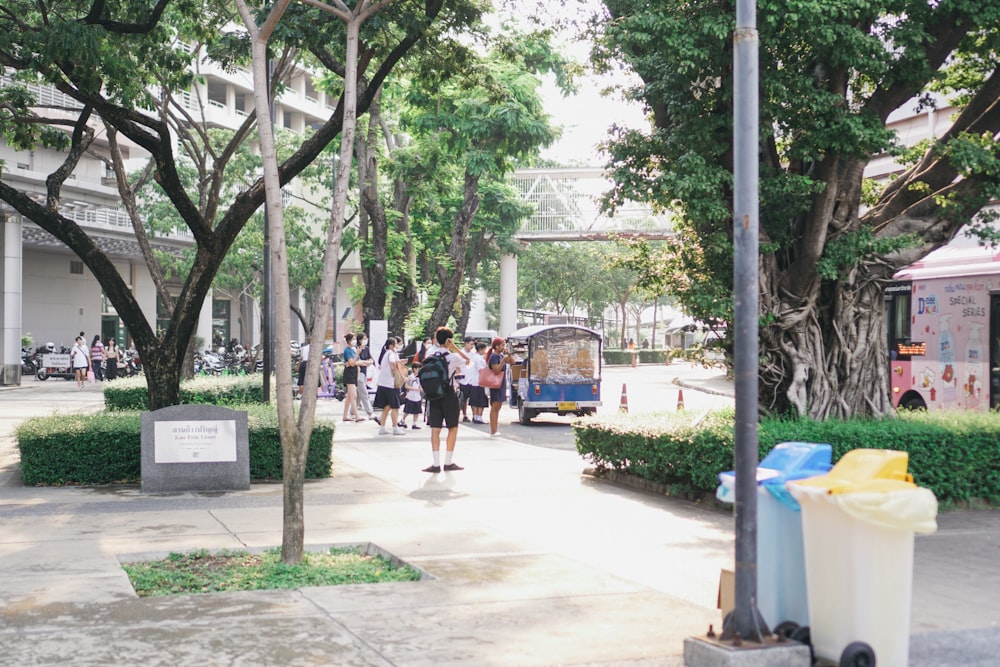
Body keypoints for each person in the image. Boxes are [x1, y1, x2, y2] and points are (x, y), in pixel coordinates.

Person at [422, 327, 469, 473]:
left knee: (435, 429)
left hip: (434, 395)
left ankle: (436, 464)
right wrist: (454, 348)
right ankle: (448, 462)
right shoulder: (452, 357)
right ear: (449, 340)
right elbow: (468, 361)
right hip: (448, 395)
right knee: (452, 427)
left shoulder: (430, 354)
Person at [374, 337, 407, 435]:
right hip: (391, 384)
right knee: (395, 407)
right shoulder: (392, 353)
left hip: (383, 384)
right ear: (391, 345)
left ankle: (382, 428)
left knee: (387, 406)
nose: (398, 345)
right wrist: (395, 373)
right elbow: (392, 363)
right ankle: (395, 428)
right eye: (396, 343)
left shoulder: (386, 353)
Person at [487, 336, 516, 437]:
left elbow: (513, 362)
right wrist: (503, 360)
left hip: (501, 383)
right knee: (495, 406)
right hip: (495, 383)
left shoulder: (500, 356)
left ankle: (495, 429)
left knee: (498, 406)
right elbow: (496, 370)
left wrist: (508, 355)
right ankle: (493, 430)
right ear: (496, 346)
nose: (504, 347)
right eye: (502, 345)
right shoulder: (494, 357)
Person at [355, 333, 375, 420]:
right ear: (359, 340)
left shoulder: (366, 349)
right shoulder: (356, 349)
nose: (365, 340)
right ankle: (370, 412)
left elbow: (371, 359)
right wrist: (367, 362)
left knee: (359, 394)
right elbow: (357, 361)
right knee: (364, 392)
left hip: (364, 372)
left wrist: (367, 362)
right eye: (364, 338)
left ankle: (352, 411)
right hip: (358, 372)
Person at [341, 333, 361, 421]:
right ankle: (356, 416)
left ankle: (345, 416)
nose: (355, 341)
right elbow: (352, 362)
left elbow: (356, 362)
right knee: (354, 395)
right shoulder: (347, 350)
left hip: (355, 372)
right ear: (349, 340)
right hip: (349, 373)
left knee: (349, 396)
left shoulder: (353, 349)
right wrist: (356, 356)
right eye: (353, 339)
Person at [469, 341, 490, 423]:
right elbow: (481, 369)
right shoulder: (479, 358)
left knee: (475, 401)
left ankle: (475, 416)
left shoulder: (475, 357)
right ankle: (478, 417)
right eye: (484, 349)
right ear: (480, 349)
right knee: (480, 401)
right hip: (480, 382)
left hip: (475, 382)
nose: (485, 351)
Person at [458, 338, 476, 421]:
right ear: (465, 343)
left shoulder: (473, 353)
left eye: (472, 344)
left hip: (472, 379)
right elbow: (457, 367)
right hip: (464, 379)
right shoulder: (460, 353)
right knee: (463, 399)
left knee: (473, 398)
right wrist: (458, 379)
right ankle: (464, 415)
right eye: (470, 344)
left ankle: (474, 415)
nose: (471, 346)